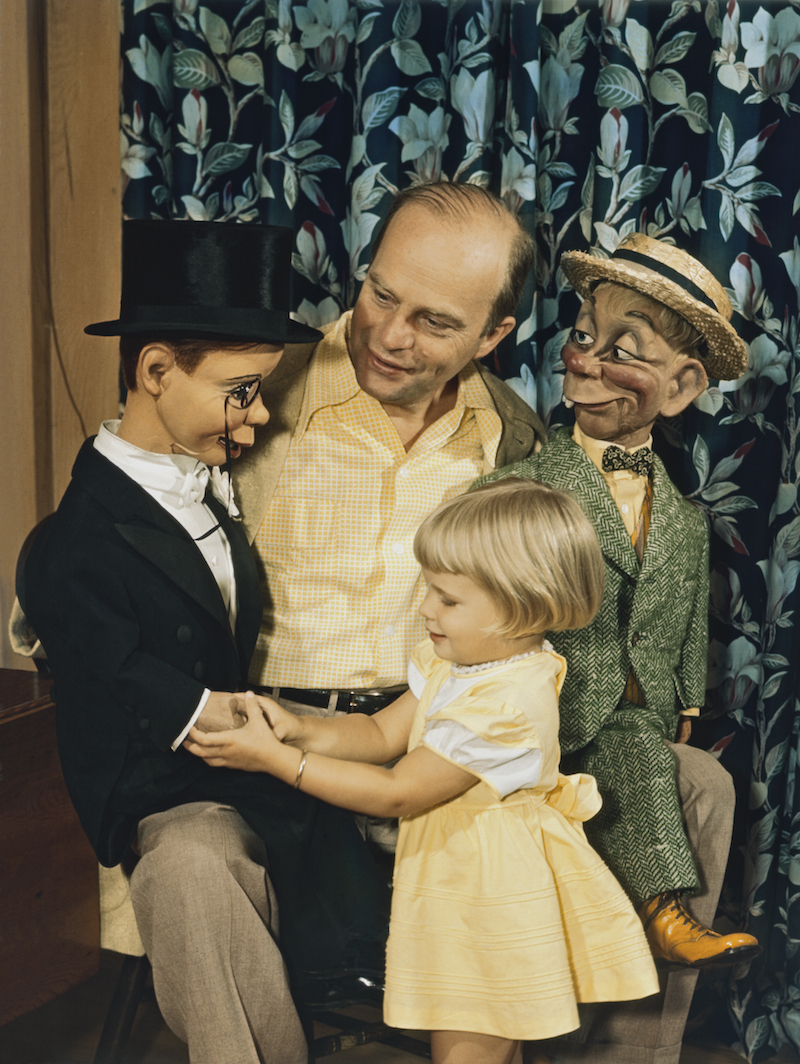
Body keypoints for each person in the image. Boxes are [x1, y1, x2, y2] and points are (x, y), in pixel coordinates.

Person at [15, 219, 393, 1064]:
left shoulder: (210, 486)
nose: (258, 418)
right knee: (196, 865)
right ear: (154, 372)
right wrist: (279, 736)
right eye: (242, 392)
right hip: (161, 790)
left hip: (239, 769)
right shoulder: (72, 542)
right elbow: (130, 679)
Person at [185, 479, 661, 1064]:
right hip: (453, 883)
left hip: (491, 897)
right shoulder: (460, 661)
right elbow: (382, 735)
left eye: (447, 599)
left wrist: (276, 760)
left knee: (467, 1048)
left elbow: (395, 792)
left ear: (523, 603)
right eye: (429, 590)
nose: (426, 609)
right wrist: (296, 727)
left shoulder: (506, 703)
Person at [477, 236, 760, 996]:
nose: (587, 362)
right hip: (553, 708)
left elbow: (688, 611)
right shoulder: (526, 484)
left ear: (682, 387)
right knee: (636, 746)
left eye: (622, 350)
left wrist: (689, 702)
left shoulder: (686, 517)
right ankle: (667, 917)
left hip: (642, 707)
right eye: (581, 337)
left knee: (659, 750)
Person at [232, 183, 547, 800]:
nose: (390, 336)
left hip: (431, 740)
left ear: (491, 335)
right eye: (382, 294)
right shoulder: (253, 391)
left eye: (435, 322)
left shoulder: (515, 442)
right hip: (269, 729)